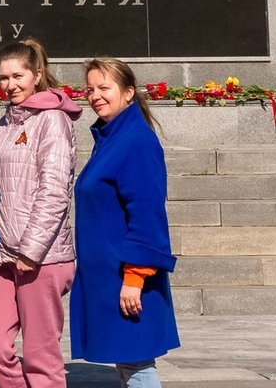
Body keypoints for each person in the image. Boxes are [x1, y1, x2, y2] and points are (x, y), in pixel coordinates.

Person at [70, 58, 179, 388]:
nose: (95, 96)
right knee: (128, 366)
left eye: (105, 88)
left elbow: (147, 215)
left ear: (129, 92)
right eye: (90, 89)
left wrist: (135, 277)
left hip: (127, 278)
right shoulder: (112, 137)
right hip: (108, 276)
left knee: (138, 367)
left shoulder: (136, 140)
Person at [0, 38, 81, 388]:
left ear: (37, 75)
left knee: (41, 357)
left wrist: (31, 249)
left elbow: (54, 190)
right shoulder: (6, 121)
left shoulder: (53, 119)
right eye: (3, 77)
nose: (10, 85)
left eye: (17, 76)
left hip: (41, 258)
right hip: (4, 256)